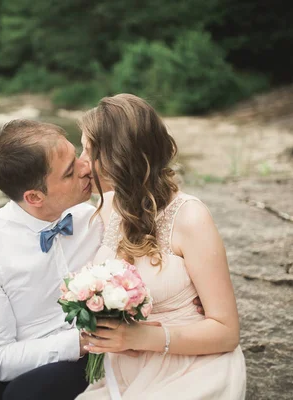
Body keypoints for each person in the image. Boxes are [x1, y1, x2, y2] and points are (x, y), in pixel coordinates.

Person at [0, 119, 204, 400]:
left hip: (91, 356)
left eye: (77, 154)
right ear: (34, 197)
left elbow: (153, 241)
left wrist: (187, 290)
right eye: (69, 173)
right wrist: (79, 342)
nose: (87, 168)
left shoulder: (96, 217)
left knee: (26, 394)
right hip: (19, 354)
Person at [75, 94, 247, 400]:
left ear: (118, 156)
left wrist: (139, 337)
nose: (82, 162)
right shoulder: (106, 209)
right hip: (125, 368)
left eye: (89, 150)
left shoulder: (190, 217)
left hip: (190, 366)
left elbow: (226, 332)